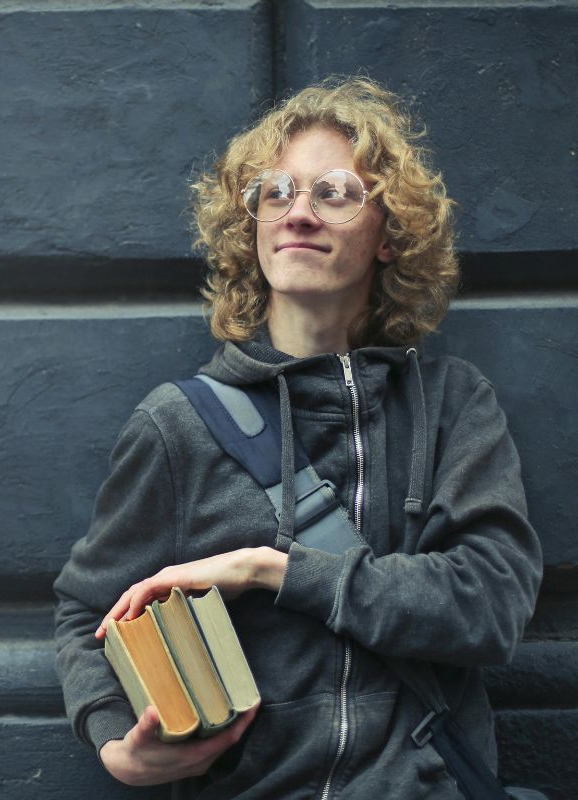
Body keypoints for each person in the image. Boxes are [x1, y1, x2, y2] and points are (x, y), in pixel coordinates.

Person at [54, 77, 543, 799]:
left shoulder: (450, 407)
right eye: (276, 192)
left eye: (335, 192)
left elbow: (489, 607)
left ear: (389, 234)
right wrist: (114, 742)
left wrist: (274, 570)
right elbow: (86, 614)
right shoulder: (180, 424)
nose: (298, 213)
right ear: (250, 225)